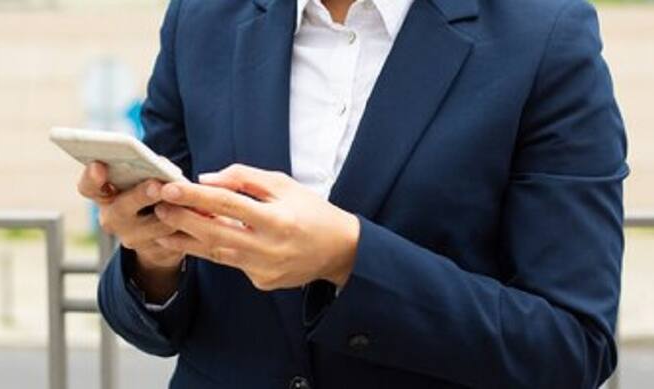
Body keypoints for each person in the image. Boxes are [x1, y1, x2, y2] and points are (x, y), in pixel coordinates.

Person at [78, 0, 628, 387]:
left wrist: (350, 257)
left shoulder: (545, 34)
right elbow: (146, 320)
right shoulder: (202, 18)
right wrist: (153, 256)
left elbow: (571, 347)